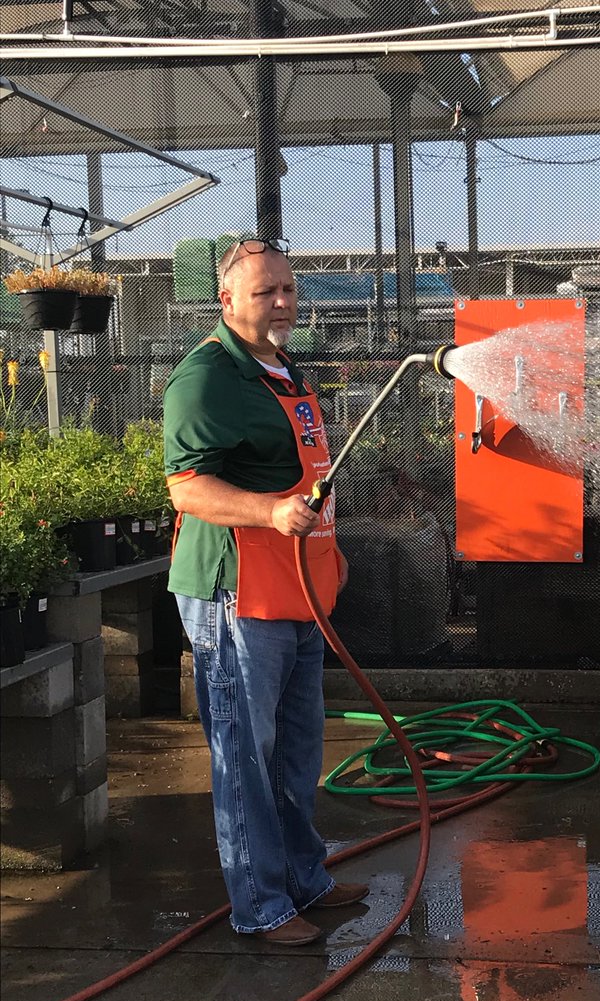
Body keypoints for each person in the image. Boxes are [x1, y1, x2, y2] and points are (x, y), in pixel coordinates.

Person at [163, 236, 368, 946]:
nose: (282, 303)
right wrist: (270, 511)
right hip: (236, 596)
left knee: (297, 750)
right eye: (264, 292)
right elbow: (187, 487)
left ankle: (304, 876)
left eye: (288, 289)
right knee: (244, 753)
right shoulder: (206, 378)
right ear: (226, 301)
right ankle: (261, 905)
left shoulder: (281, 368)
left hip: (298, 593)